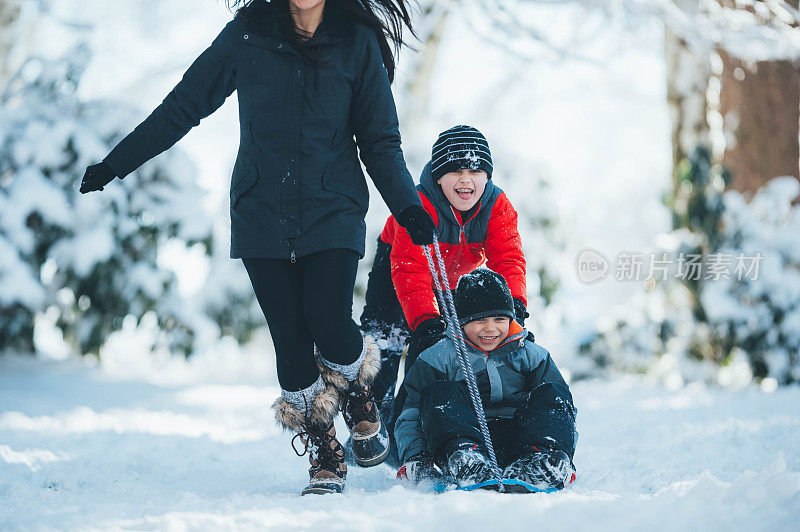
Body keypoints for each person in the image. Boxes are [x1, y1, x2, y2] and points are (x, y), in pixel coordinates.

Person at [78, 0, 435, 495]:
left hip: (333, 207)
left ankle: (360, 393)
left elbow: (379, 140)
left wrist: (408, 206)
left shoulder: (357, 41)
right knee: (290, 343)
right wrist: (116, 164)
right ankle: (325, 452)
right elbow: (183, 106)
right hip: (261, 211)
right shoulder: (246, 35)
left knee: (329, 321)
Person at [358, 125, 528, 457]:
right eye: (456, 170)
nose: (466, 179)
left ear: (487, 175)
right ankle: (371, 424)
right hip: (398, 266)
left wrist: (514, 306)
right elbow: (410, 267)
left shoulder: (497, 205)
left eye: (476, 169)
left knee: (437, 352)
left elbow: (508, 257)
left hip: (449, 277)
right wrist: (424, 319)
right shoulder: (419, 204)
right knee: (388, 341)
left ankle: (419, 426)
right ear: (438, 176)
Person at [393, 269, 577, 490]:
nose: (490, 328)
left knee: (553, 393)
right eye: (480, 320)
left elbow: (562, 412)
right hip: (459, 440)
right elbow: (412, 414)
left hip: (521, 441)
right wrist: (415, 457)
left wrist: (565, 454)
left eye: (499, 319)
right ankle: (467, 461)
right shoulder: (438, 358)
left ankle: (542, 461)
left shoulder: (532, 355)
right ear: (461, 322)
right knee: (439, 394)